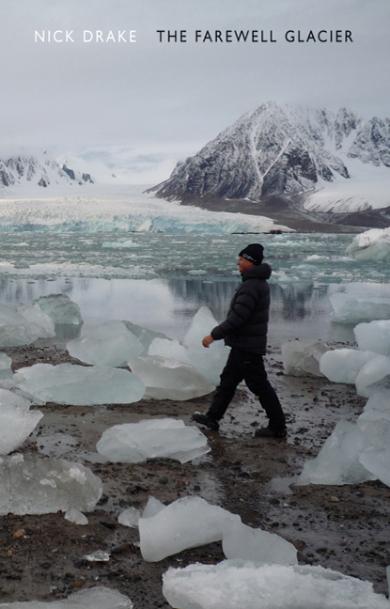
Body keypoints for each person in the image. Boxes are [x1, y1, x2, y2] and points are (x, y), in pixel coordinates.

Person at [192, 243, 286, 438]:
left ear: (250, 262)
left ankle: (277, 426)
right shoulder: (255, 283)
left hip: (247, 346)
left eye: (242, 259)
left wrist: (213, 335)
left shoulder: (251, 286)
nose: (238, 262)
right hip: (244, 344)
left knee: (259, 385)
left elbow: (237, 319)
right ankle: (212, 418)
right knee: (228, 381)